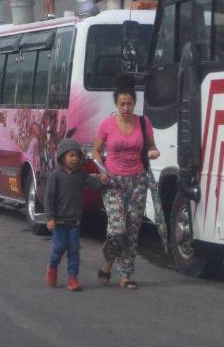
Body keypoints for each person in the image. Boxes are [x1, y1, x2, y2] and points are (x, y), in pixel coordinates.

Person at [92, 76, 161, 290]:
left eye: (129, 103)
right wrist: (102, 171)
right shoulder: (107, 124)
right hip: (113, 182)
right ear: (115, 104)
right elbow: (95, 151)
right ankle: (107, 262)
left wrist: (153, 152)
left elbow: (150, 146)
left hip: (138, 181)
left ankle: (125, 276)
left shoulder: (143, 122)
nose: (125, 108)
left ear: (134, 103)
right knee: (117, 228)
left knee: (132, 229)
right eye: (121, 104)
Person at [44, 138, 106, 291]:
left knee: (74, 249)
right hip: (59, 221)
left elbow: (93, 185)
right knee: (59, 247)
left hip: (75, 221)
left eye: (77, 156)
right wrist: (50, 218)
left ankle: (73, 278)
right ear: (62, 157)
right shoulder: (55, 176)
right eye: (71, 155)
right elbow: (49, 198)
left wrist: (102, 179)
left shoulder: (81, 174)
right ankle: (52, 266)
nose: (74, 159)